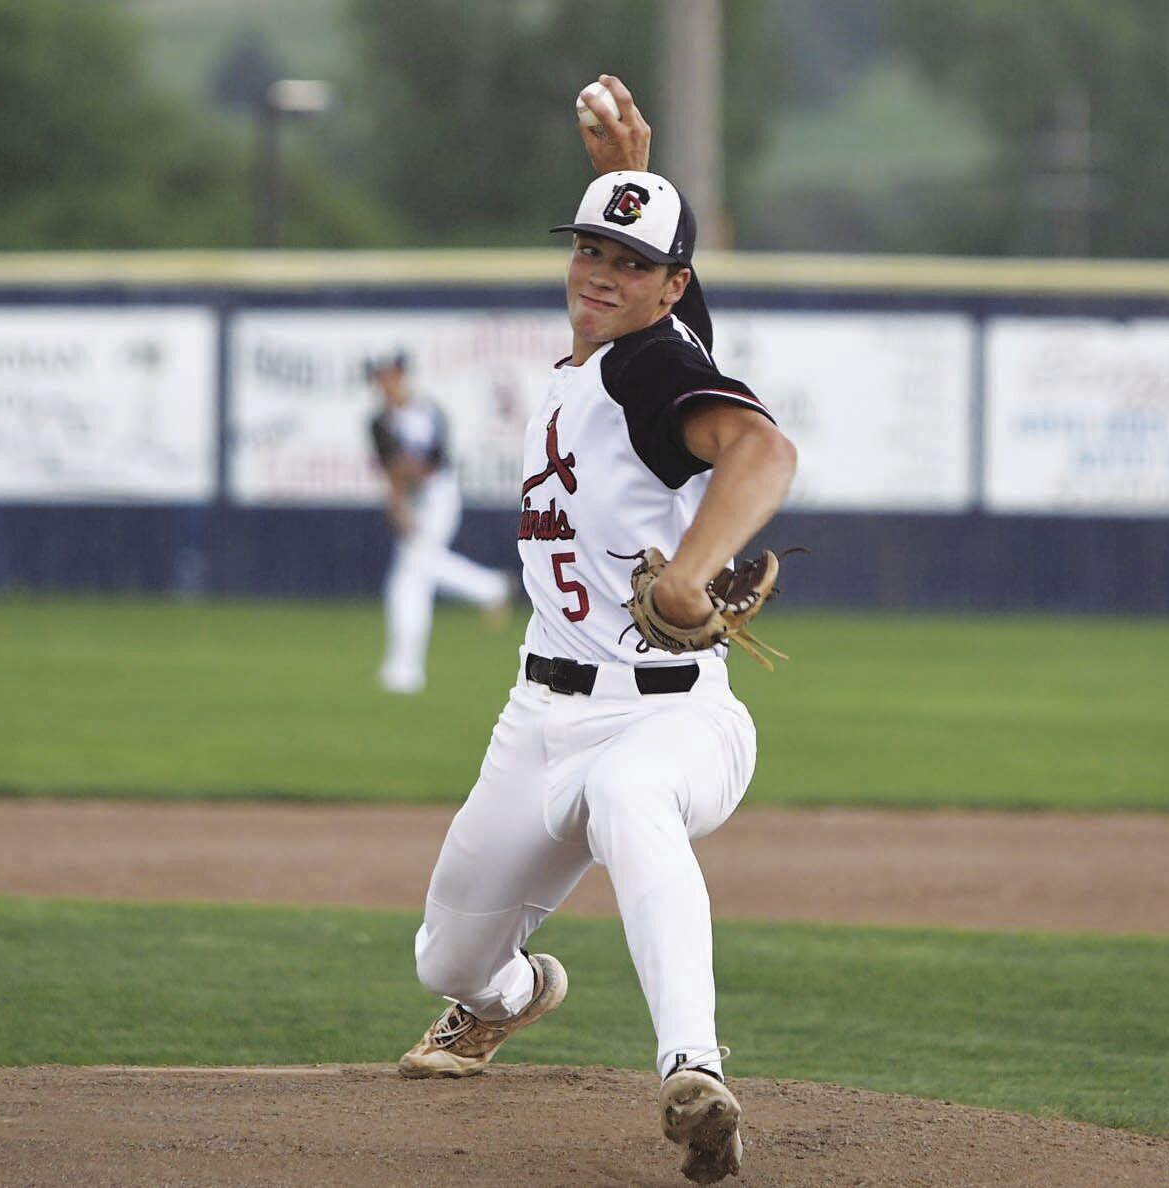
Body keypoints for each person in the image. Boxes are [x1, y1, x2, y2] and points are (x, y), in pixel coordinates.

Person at [396, 76, 797, 1185]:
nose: (599, 275)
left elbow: (764, 454)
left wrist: (696, 572)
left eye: (629, 264)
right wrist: (642, 171)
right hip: (538, 719)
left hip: (671, 722)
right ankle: (510, 1000)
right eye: (589, 251)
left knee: (630, 802)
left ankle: (695, 1073)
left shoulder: (649, 359)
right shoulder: (608, 361)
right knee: (449, 957)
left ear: (669, 286)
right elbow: (678, 331)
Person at [368, 351, 512, 694]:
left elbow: (429, 465)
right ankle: (491, 588)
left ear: (401, 376)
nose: (383, 383)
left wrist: (404, 481)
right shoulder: (378, 421)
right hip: (411, 501)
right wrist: (399, 505)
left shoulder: (426, 412)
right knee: (414, 576)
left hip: (437, 497)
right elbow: (392, 470)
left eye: (389, 375)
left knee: (411, 574)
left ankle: (404, 671)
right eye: (379, 377)